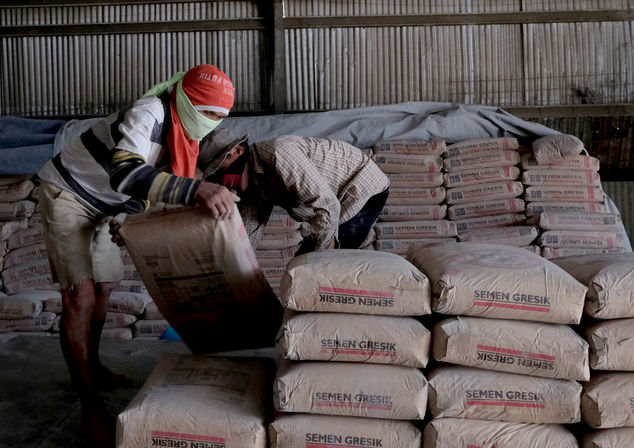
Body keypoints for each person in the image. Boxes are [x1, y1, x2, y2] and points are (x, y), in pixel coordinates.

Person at [36, 64, 238, 445]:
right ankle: (89, 405)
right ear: (184, 99)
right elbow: (126, 174)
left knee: (105, 289)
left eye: (219, 117)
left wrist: (132, 220)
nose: (210, 123)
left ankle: (92, 367)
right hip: (69, 192)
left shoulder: (186, 138)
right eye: (206, 113)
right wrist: (196, 191)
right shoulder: (151, 112)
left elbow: (143, 191)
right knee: (80, 294)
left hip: (106, 205)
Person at [199, 129, 389, 253]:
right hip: (334, 205)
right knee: (302, 265)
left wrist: (319, 260)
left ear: (238, 151)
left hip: (360, 189)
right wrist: (235, 264)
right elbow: (249, 233)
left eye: (219, 168)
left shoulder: (278, 153)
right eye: (214, 177)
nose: (220, 181)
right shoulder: (254, 186)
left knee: (325, 266)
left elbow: (327, 206)